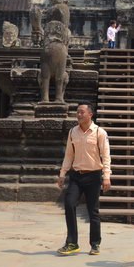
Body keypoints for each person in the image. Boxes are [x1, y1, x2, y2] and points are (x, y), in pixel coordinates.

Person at [56, 103, 112, 256]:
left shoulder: (99, 132)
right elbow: (69, 155)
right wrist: (62, 173)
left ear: (90, 114)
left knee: (92, 210)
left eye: (82, 112)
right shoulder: (72, 132)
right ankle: (72, 242)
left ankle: (95, 244)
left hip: (93, 175)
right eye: (77, 112)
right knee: (69, 204)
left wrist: (106, 176)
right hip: (76, 175)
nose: (79, 115)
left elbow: (106, 156)